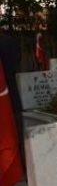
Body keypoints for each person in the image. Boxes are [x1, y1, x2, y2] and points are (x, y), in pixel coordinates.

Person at [0, 30, 24, 166]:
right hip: (12, 94)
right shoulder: (10, 41)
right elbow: (16, 63)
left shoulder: (7, 41)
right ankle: (19, 164)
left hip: (6, 94)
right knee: (16, 132)